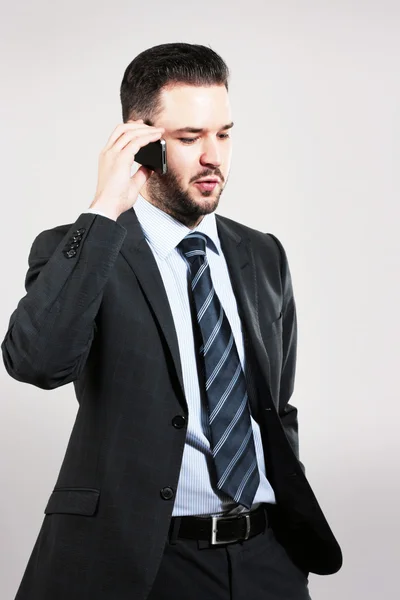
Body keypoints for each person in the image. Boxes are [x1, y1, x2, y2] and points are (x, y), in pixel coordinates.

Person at [1, 43, 342, 600]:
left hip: (266, 558)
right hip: (143, 563)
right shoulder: (83, 249)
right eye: (189, 138)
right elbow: (36, 363)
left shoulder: (263, 254)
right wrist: (104, 209)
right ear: (141, 140)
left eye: (224, 134)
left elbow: (275, 406)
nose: (214, 157)